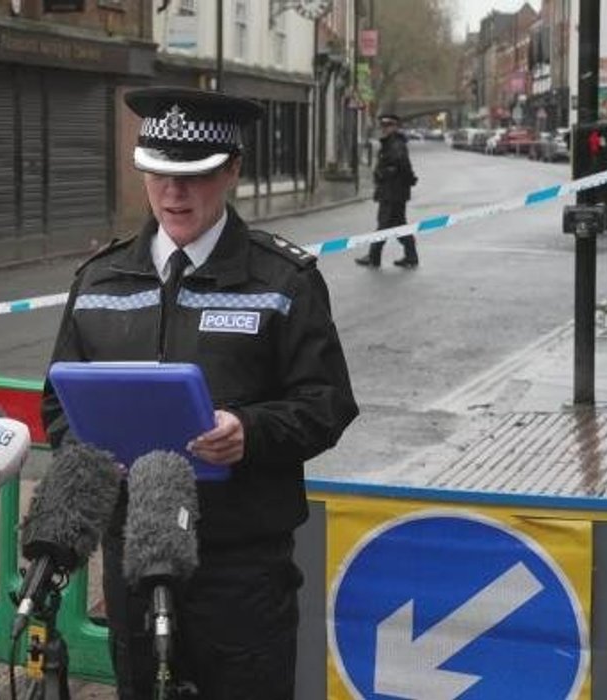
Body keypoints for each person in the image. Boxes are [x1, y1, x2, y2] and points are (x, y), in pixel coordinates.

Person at [40, 87, 358, 700]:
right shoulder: (99, 280)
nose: (172, 194)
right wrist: (93, 453)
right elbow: (57, 404)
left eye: (194, 176)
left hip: (240, 567)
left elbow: (326, 403)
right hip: (135, 551)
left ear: (232, 170)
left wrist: (249, 432)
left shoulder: (283, 280)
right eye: (158, 174)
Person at [356, 113, 419, 269]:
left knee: (384, 225)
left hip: (392, 192)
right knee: (399, 225)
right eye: (383, 126)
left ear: (395, 126)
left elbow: (401, 166)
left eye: (388, 125)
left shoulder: (395, 144)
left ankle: (373, 257)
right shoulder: (392, 142)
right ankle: (411, 257)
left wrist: (384, 174)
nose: (385, 129)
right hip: (393, 192)